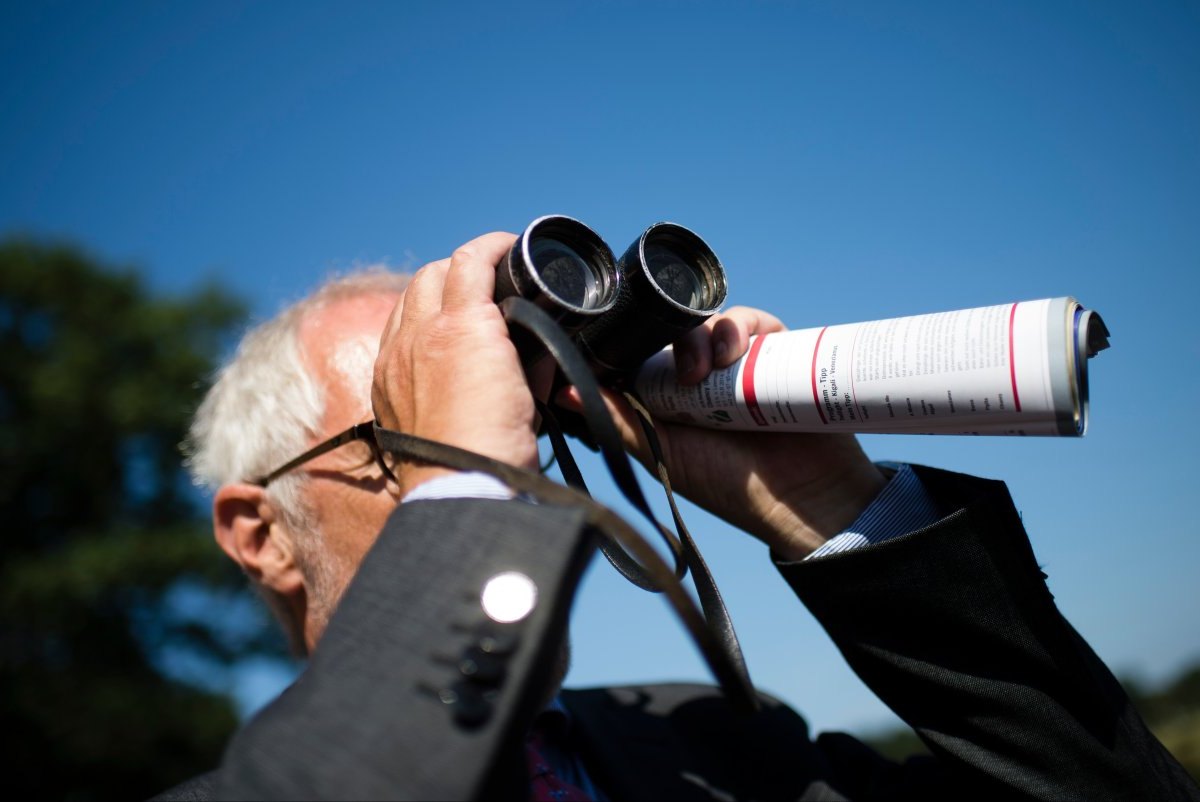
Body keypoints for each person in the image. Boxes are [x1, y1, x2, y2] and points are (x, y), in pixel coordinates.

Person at [161, 232, 1197, 801]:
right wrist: (463, 478)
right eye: (414, 437)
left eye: (521, 423)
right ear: (260, 533)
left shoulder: (724, 747)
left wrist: (830, 505)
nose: (522, 475)